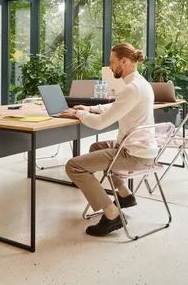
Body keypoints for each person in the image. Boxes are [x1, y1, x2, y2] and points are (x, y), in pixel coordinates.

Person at [59, 43, 155, 236]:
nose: (110, 67)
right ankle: (124, 194)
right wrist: (90, 109)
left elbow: (101, 123)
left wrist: (77, 113)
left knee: (74, 166)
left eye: (112, 62)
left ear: (124, 61)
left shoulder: (132, 89)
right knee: (96, 147)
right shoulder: (141, 84)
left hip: (133, 154)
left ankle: (112, 215)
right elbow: (116, 108)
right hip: (142, 148)